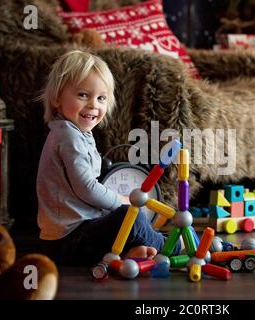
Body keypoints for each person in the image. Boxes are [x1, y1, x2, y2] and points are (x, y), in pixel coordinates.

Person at [36, 50, 179, 265]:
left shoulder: (77, 133)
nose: (94, 104)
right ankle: (173, 247)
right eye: (83, 95)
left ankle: (128, 252)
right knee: (129, 217)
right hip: (68, 241)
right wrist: (120, 201)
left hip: (73, 235)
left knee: (125, 220)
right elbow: (86, 188)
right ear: (57, 98)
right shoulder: (68, 137)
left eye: (101, 98)